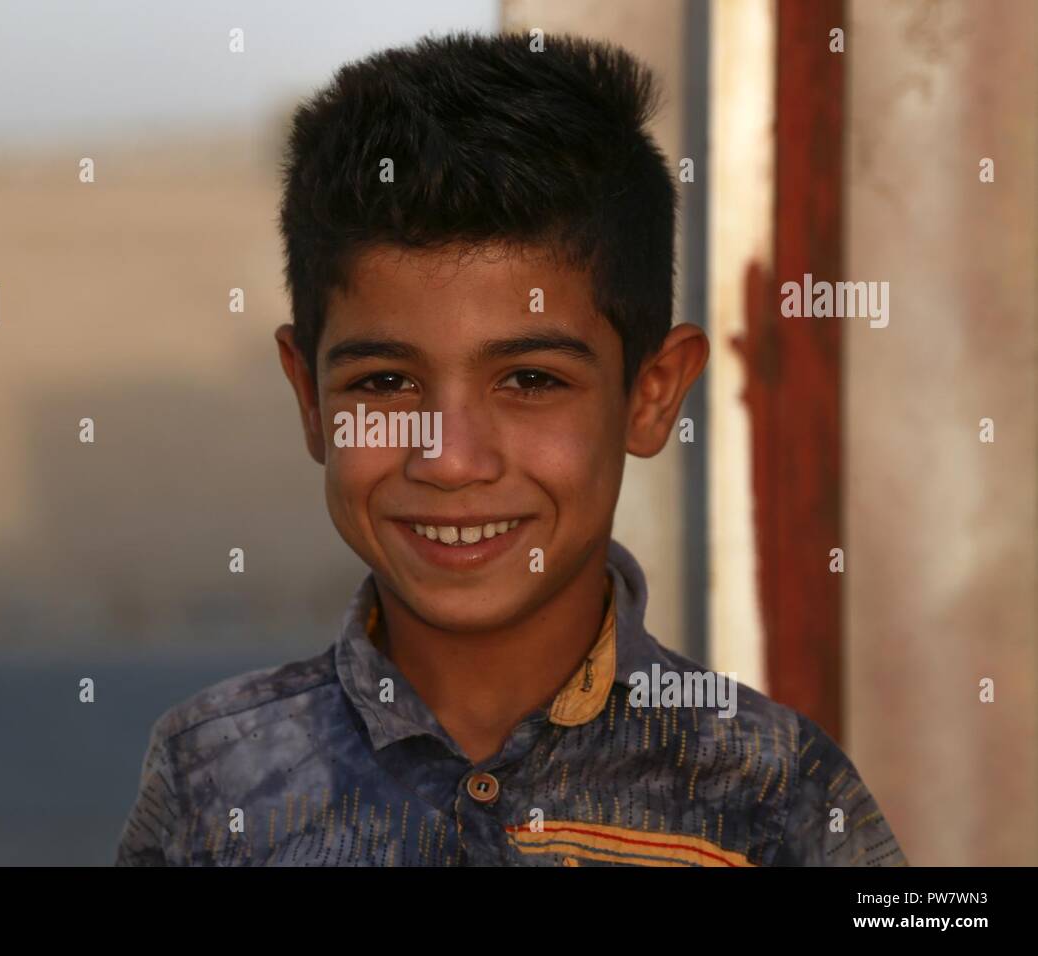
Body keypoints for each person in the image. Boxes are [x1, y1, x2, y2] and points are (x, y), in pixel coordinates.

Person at [116, 31, 906, 867]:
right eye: (385, 384)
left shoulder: (774, 790)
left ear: (652, 393)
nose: (451, 460)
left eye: (530, 381)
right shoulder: (216, 775)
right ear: (310, 399)